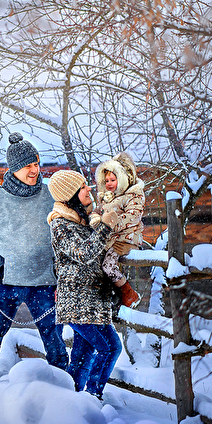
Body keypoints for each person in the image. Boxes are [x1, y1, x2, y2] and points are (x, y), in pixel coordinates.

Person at [0, 133, 68, 391]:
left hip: (46, 284)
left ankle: (66, 398)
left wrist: (63, 281)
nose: (34, 170)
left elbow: (67, 239)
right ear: (13, 168)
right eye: (27, 166)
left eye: (36, 163)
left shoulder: (52, 196)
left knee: (56, 345)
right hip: (4, 285)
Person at [47, 169, 122, 401]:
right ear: (70, 194)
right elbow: (84, 253)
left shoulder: (84, 220)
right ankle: (92, 397)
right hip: (78, 303)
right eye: (82, 187)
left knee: (83, 355)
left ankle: (70, 401)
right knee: (110, 347)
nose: (89, 188)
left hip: (93, 301)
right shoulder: (60, 225)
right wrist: (105, 227)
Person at [88, 152, 144, 309]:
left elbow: (132, 216)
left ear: (123, 178)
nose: (109, 184)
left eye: (113, 180)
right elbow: (97, 212)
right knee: (94, 261)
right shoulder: (107, 197)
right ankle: (108, 296)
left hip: (126, 239)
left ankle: (129, 293)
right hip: (110, 239)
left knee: (108, 266)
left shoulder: (133, 194)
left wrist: (109, 224)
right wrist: (95, 219)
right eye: (106, 181)